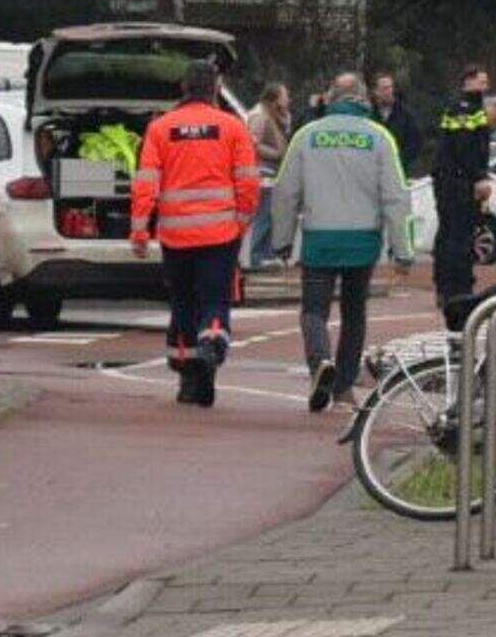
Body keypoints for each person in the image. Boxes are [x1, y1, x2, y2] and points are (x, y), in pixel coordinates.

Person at [274, 72, 414, 413]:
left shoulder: (306, 136)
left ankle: (321, 361)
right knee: (354, 313)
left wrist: (281, 240)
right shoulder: (380, 137)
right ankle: (344, 387)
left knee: (313, 310)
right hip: (363, 240)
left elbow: (285, 191)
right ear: (364, 99)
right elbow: (396, 196)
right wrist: (402, 250)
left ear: (329, 98)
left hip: (320, 236)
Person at [125, 58, 260, 407]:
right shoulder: (232, 127)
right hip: (220, 234)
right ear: (215, 89)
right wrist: (242, 221)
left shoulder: (160, 128)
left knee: (183, 301)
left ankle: (188, 375)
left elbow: (145, 185)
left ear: (183, 89)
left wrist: (140, 230)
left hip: (176, 236)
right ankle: (214, 337)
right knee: (216, 298)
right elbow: (248, 181)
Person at [428, 67, 496, 330]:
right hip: (457, 182)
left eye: (487, 79)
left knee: (450, 234)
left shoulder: (463, 108)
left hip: (450, 179)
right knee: (458, 236)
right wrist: (479, 177)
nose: (485, 84)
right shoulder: (467, 110)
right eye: (480, 79)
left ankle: (446, 285)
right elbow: (466, 148)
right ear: (467, 81)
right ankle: (457, 287)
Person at [243, 82, 297, 270]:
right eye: (285, 96)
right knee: (264, 217)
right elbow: (253, 143)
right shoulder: (259, 116)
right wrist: (277, 153)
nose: (288, 99)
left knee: (271, 216)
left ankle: (267, 255)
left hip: (274, 173)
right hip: (263, 173)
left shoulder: (275, 116)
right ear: (274, 99)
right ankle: (258, 256)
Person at [371, 71, 426, 175]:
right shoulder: (368, 116)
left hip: (399, 172)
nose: (388, 91)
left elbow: (415, 143)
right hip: (372, 171)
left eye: (390, 87)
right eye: (384, 88)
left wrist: (399, 161)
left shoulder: (406, 115)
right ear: (375, 91)